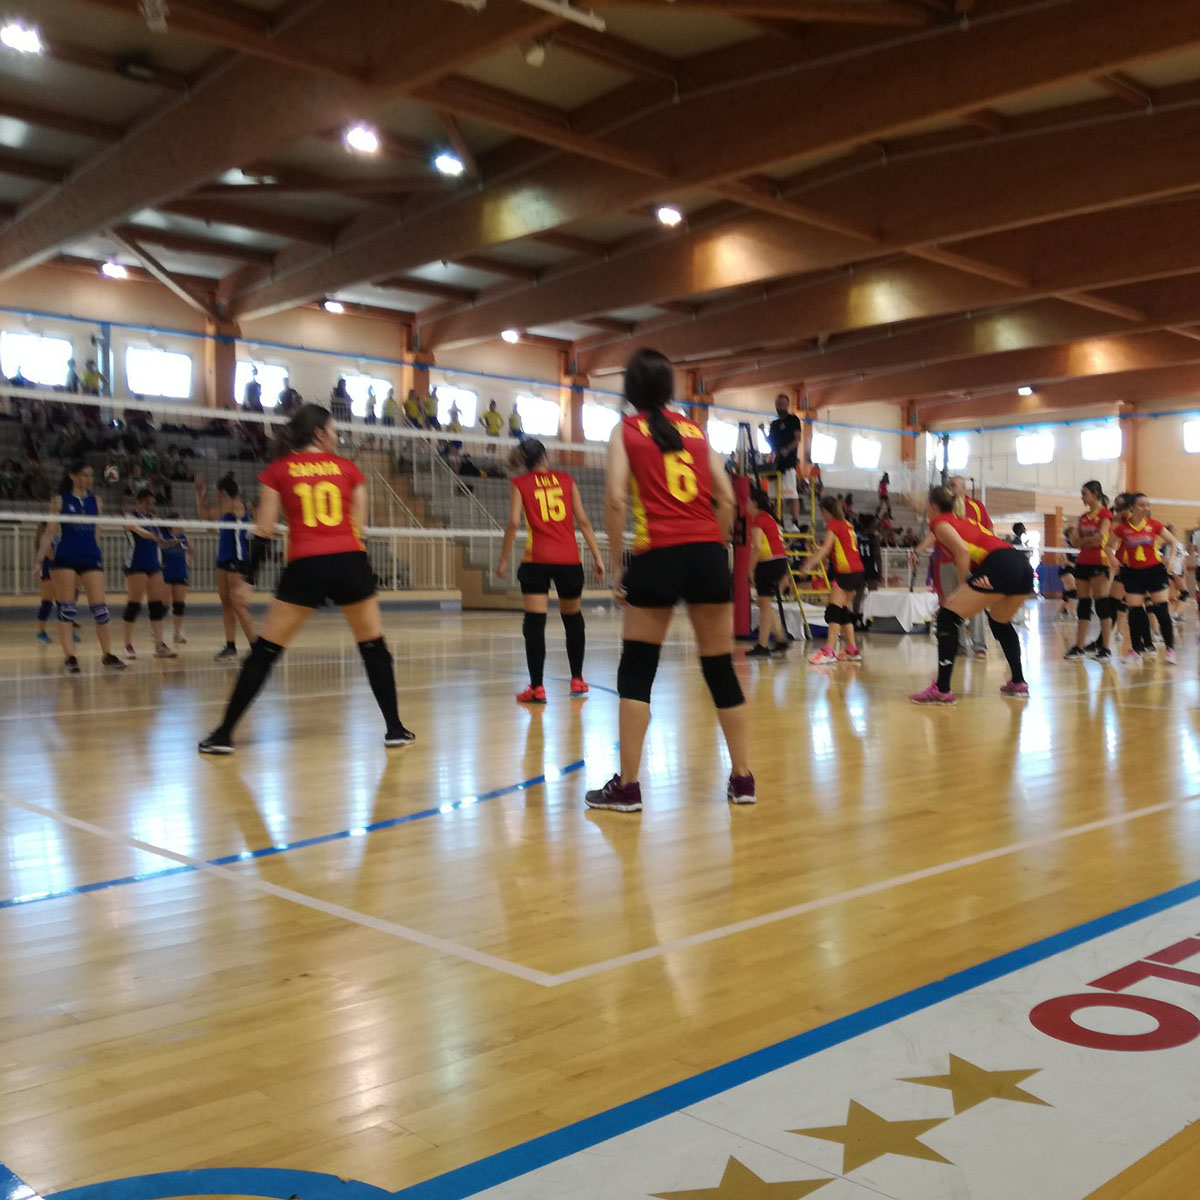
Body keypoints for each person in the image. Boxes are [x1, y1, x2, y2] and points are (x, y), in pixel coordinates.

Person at [585, 348, 753, 813]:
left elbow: (615, 499)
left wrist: (618, 565)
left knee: (637, 671)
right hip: (707, 554)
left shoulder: (625, 431)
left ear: (631, 389)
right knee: (720, 669)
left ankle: (628, 787)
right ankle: (743, 778)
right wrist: (714, 546)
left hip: (656, 553)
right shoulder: (697, 432)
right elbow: (727, 500)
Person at [199, 404, 415, 754]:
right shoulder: (349, 469)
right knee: (373, 647)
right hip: (349, 560)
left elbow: (265, 530)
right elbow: (359, 528)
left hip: (306, 563)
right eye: (333, 431)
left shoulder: (278, 470)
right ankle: (395, 729)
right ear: (319, 434)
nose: (336, 437)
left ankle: (223, 734)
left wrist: (248, 579)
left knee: (265, 652)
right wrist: (352, 566)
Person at [496, 438, 605, 702]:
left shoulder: (520, 483)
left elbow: (513, 523)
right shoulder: (566, 480)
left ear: (524, 461)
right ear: (545, 457)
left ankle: (537, 687)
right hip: (569, 559)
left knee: (534, 622)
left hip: (537, 559)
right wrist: (597, 557)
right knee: (573, 618)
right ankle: (578, 680)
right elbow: (584, 521)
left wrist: (503, 560)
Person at [910, 485, 1033, 705]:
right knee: (1000, 623)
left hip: (999, 564)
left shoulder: (939, 522)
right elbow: (946, 540)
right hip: (1021, 565)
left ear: (931, 506)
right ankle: (1018, 682)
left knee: (947, 618)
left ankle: (942, 690)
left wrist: (960, 588)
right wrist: (918, 552)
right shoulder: (960, 520)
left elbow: (963, 551)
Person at [34, 461, 126, 674]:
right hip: (65, 558)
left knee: (101, 610)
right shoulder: (60, 501)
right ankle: (70, 657)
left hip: (90, 558)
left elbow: (97, 530)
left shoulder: (96, 501)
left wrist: (96, 551)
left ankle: (107, 655)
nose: (89, 479)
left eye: (91, 475)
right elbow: (49, 533)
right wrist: (38, 561)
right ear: (73, 476)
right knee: (67, 609)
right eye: (85, 475)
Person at [1111, 493, 1178, 664]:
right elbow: (1107, 546)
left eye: (1148, 504)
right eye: (1142, 505)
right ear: (1132, 507)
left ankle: (1170, 650)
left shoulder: (1154, 525)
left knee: (1161, 610)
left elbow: (1173, 541)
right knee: (1135, 611)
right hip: (1132, 573)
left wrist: (1171, 559)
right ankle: (1136, 650)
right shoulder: (1123, 528)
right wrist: (1113, 559)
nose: (1146, 508)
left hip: (1154, 571)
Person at [195, 473, 256, 661]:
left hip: (236, 561)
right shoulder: (224, 510)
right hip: (223, 560)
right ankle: (230, 647)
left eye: (216, 491)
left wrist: (202, 499)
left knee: (239, 605)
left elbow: (207, 514)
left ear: (223, 492)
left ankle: (256, 647)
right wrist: (199, 496)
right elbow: (204, 517)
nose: (215, 494)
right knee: (226, 605)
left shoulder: (236, 506)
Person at [798, 494, 864, 665]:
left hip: (846, 571)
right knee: (843, 611)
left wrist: (808, 564)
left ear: (826, 511)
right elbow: (837, 547)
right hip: (857, 571)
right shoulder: (847, 524)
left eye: (822, 512)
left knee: (833, 611)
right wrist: (817, 553)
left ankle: (828, 651)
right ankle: (852, 649)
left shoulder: (833, 524)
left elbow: (826, 548)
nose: (822, 516)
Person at [121, 488, 176, 659]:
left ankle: (159, 645)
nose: (150, 506)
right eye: (147, 503)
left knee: (156, 606)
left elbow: (158, 542)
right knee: (134, 605)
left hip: (154, 565)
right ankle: (127, 645)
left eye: (152, 503)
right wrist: (150, 534)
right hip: (136, 564)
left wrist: (169, 542)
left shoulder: (153, 519)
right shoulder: (130, 516)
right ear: (138, 502)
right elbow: (136, 529)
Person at [1064, 481, 1114, 662]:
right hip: (1083, 562)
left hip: (1099, 562)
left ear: (1095, 494)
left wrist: (1083, 541)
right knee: (1083, 605)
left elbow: (1100, 538)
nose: (1082, 497)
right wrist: (1087, 541)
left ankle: (1105, 648)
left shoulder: (1105, 514)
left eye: (1084, 493)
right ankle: (1079, 646)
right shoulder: (1083, 517)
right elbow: (1074, 541)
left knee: (1102, 604)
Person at [745, 487, 790, 657]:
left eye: (748, 501)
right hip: (779, 562)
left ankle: (762, 645)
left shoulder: (759, 520)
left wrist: (750, 569)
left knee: (763, 603)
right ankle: (780, 638)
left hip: (769, 564)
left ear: (755, 503)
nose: (746, 504)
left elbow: (756, 547)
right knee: (764, 602)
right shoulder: (770, 518)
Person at [766, 393, 803, 530]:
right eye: (778, 404)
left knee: (791, 493)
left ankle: (795, 523)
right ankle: (779, 522)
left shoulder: (793, 420)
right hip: (776, 463)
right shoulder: (774, 424)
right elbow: (771, 443)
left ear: (787, 405)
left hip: (788, 463)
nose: (780, 406)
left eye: (782, 404)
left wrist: (787, 449)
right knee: (776, 496)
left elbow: (797, 438)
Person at [161, 519, 191, 645]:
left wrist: (188, 562)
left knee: (179, 604)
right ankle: (157, 631)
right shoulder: (164, 536)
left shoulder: (184, 537)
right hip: (166, 574)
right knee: (164, 604)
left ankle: (177, 633)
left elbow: (191, 550)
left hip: (180, 574)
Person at [1058, 526, 1078, 621]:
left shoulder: (1077, 544)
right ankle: (1072, 614)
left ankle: (1059, 612)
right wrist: (1070, 564)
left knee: (1068, 593)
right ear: (1070, 534)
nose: (1076, 533)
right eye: (1074, 532)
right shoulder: (1065, 544)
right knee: (1074, 590)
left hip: (1074, 570)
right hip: (1066, 570)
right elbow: (1061, 560)